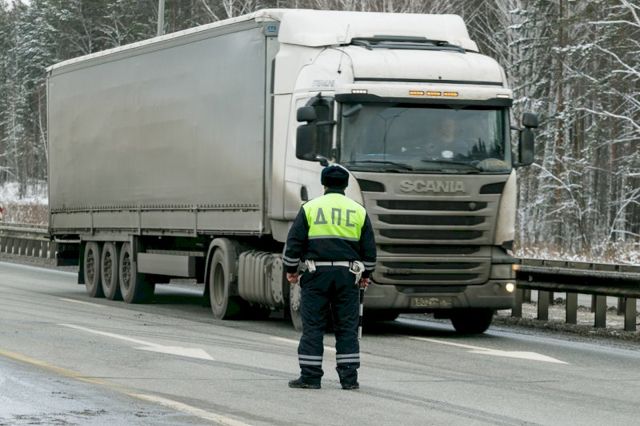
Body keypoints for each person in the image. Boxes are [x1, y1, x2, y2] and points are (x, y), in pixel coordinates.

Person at [283, 164, 376, 390]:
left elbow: (294, 243)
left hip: (316, 274)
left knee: (313, 326)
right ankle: (349, 379)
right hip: (347, 276)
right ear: (345, 185)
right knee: (347, 328)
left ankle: (310, 378)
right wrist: (366, 274)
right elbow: (369, 250)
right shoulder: (358, 211)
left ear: (324, 185)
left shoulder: (310, 208)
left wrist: (291, 270)